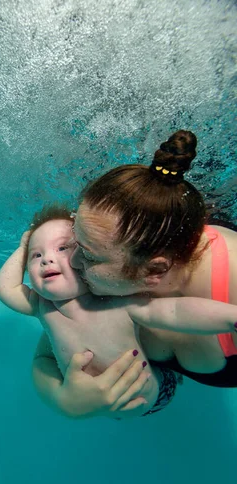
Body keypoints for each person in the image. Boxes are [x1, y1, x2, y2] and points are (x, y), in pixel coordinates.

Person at [32, 130, 237, 419]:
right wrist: (62, 399)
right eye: (75, 243)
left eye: (88, 255)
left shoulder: (232, 279)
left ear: (154, 271)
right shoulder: (97, 272)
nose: (73, 261)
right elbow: (45, 354)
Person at [0, 203, 237, 419]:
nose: (46, 259)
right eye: (36, 256)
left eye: (62, 249)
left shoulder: (117, 301)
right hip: (130, 399)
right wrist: (64, 400)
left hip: (151, 391)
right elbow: (6, 289)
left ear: (88, 255)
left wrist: (230, 317)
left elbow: (175, 311)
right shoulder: (44, 307)